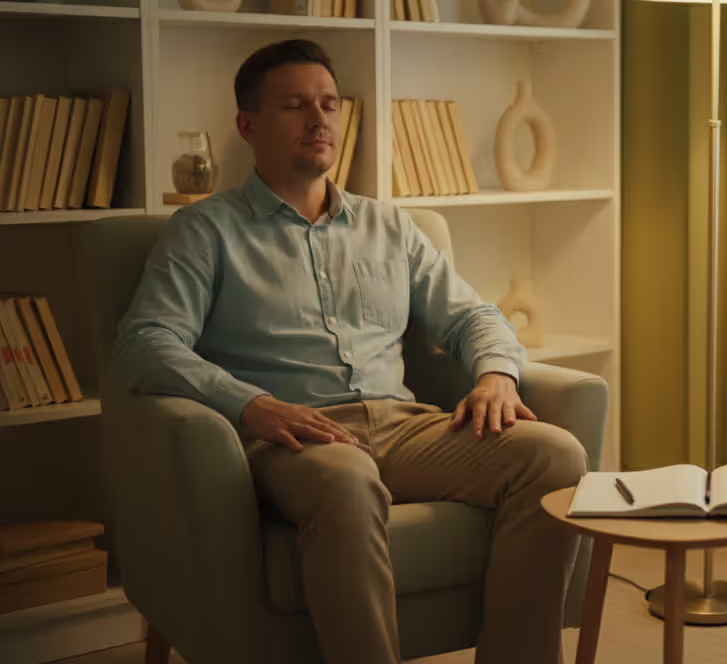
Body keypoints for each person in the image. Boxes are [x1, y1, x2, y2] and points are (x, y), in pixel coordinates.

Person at [113, 39, 588, 664]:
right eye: (295, 105)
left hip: (405, 427)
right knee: (346, 479)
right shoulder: (206, 230)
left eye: (330, 105)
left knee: (555, 456)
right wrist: (251, 405)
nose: (319, 120)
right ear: (248, 126)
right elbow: (145, 342)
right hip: (291, 438)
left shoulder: (389, 226)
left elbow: (475, 315)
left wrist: (496, 374)